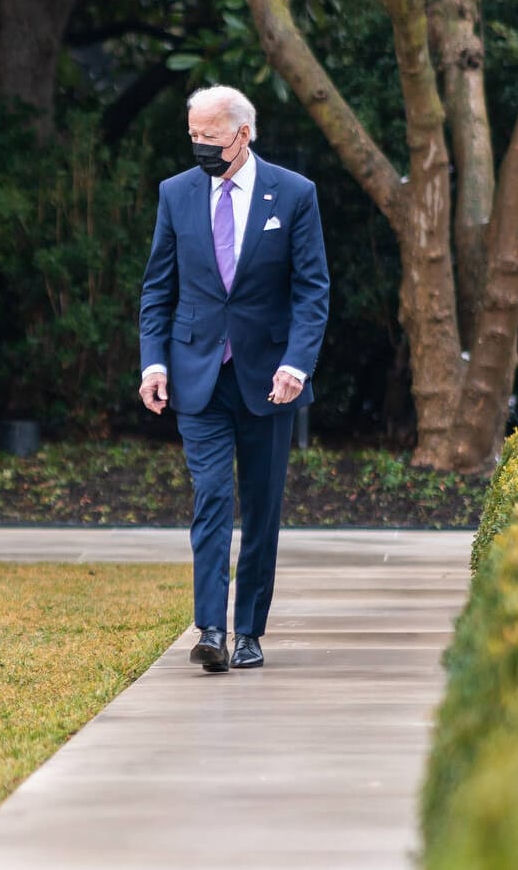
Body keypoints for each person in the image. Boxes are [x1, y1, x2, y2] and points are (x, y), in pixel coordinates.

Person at [138, 85, 330, 672]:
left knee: (262, 506)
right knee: (213, 497)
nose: (200, 146)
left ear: (242, 135)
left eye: (210, 137)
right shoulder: (176, 194)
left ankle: (250, 630)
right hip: (197, 375)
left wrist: (297, 364)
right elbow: (158, 287)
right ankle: (211, 630)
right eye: (192, 135)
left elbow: (311, 289)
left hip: (270, 379)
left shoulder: (294, 194)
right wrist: (153, 362)